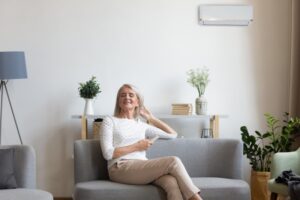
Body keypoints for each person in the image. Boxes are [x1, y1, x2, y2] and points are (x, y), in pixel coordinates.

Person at [100, 84, 203, 200]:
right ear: (118, 101)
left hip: (141, 167)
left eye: (131, 95)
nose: (127, 97)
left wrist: (151, 118)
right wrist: (137, 146)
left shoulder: (141, 125)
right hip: (119, 168)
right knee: (173, 161)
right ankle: (196, 198)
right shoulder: (110, 121)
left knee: (171, 182)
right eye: (122, 95)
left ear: (137, 102)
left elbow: (173, 135)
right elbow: (108, 153)